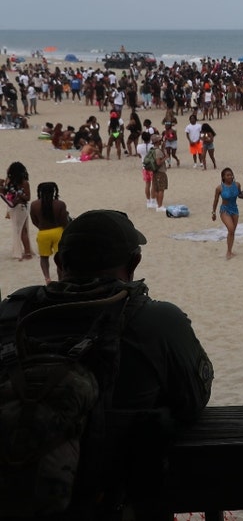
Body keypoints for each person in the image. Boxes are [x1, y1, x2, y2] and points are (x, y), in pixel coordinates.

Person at [0, 210, 212, 516]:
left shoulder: (10, 315)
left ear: (59, 263)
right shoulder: (157, 321)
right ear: (134, 262)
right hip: (111, 503)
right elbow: (193, 399)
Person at [29, 181, 68, 283]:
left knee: (44, 257)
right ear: (54, 191)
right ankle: (61, 278)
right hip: (58, 232)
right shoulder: (60, 204)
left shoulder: (34, 205)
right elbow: (64, 221)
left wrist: (41, 226)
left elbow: (34, 221)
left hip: (43, 233)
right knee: (60, 258)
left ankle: (47, 278)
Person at [3, 161, 33, 260]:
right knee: (19, 230)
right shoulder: (9, 181)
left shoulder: (24, 183)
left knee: (22, 230)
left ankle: (27, 252)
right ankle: (26, 250)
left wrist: (20, 195)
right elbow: (5, 190)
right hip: (13, 207)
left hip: (21, 207)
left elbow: (28, 197)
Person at [212, 167, 242, 259]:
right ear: (223, 177)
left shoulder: (237, 185)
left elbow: (240, 194)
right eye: (228, 175)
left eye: (231, 175)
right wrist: (213, 212)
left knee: (232, 232)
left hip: (234, 209)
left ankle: (229, 250)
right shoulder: (219, 188)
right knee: (231, 228)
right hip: (225, 210)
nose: (230, 177)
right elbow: (216, 200)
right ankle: (228, 252)